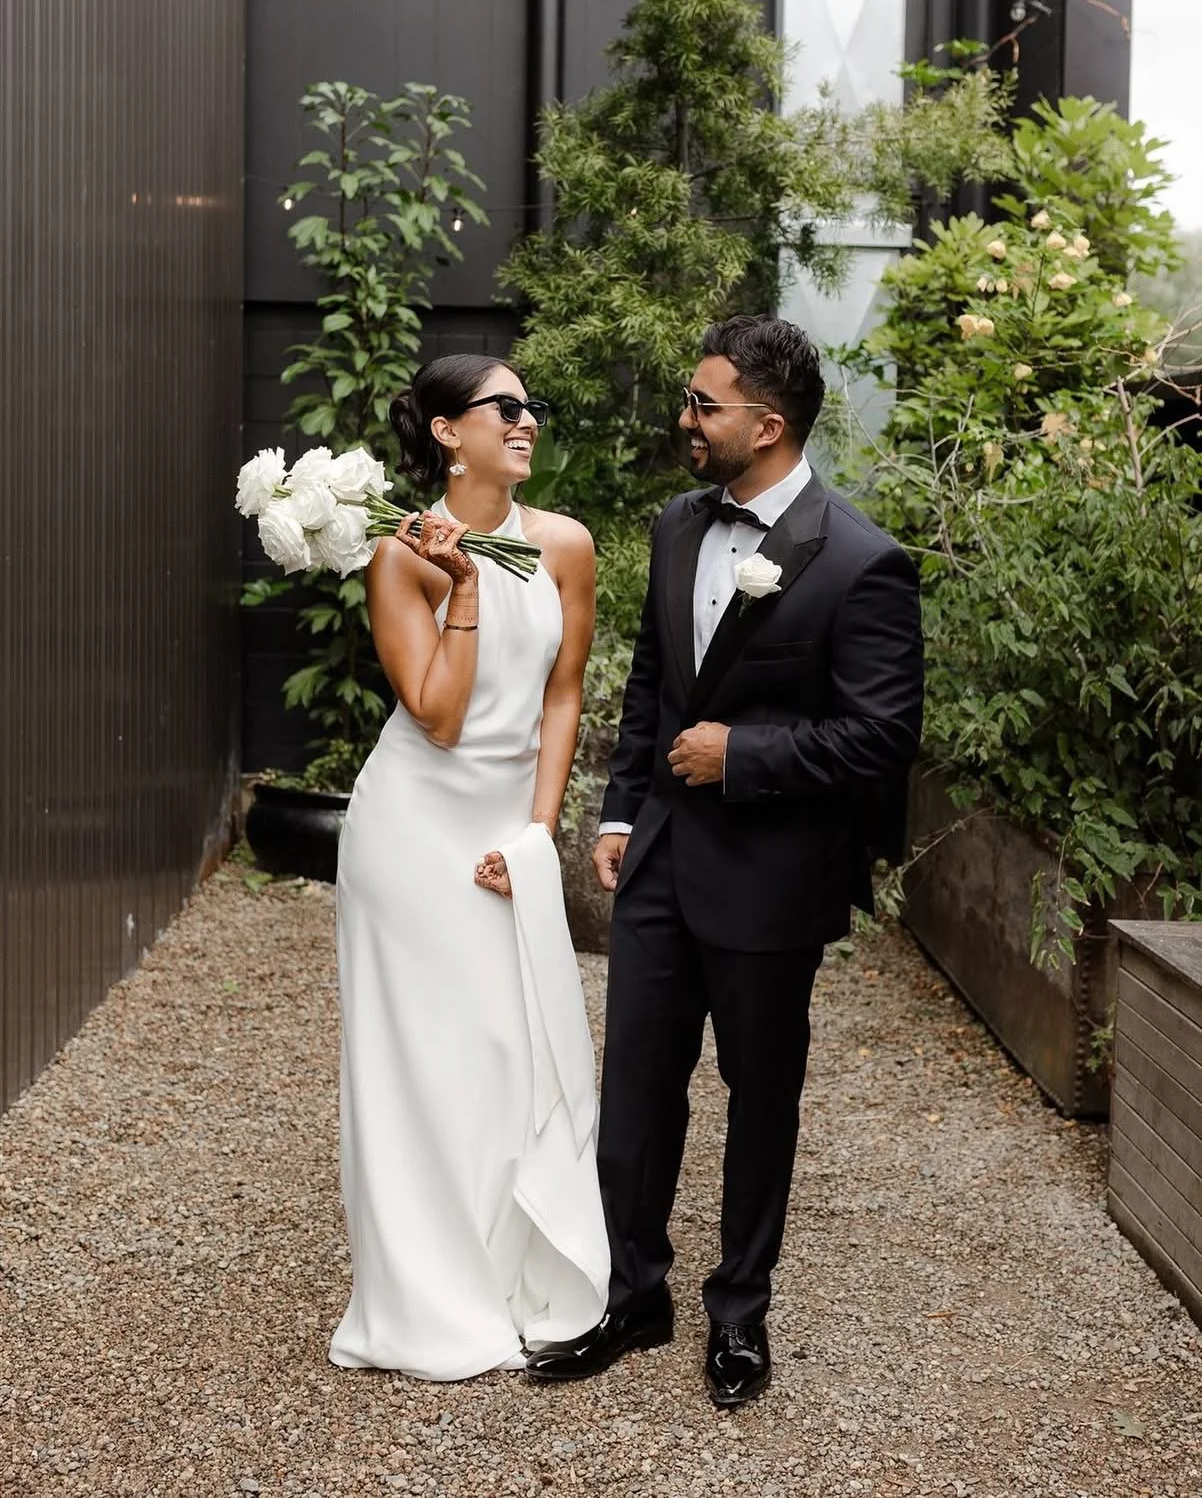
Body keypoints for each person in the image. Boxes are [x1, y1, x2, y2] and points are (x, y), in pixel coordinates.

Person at [525, 315, 925, 1406]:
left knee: (760, 1099)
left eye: (704, 404)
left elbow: (882, 736)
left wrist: (743, 754)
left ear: (768, 422)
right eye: (691, 402)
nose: (685, 420)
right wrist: (616, 814)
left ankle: (738, 1314)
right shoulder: (671, 526)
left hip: (770, 880)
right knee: (636, 1089)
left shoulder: (861, 562)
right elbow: (655, 682)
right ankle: (630, 1293)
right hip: (657, 862)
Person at [329, 354, 609, 1381]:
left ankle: (505, 1268)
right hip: (411, 833)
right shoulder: (398, 554)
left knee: (507, 1046)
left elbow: (562, 694)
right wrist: (461, 587)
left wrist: (536, 836)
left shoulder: (566, 545)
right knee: (420, 1060)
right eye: (504, 408)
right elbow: (438, 718)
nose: (525, 420)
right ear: (449, 432)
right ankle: (424, 1294)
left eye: (531, 405)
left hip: (505, 831)